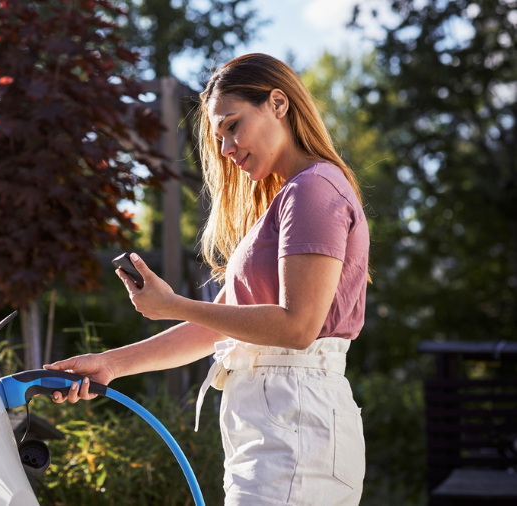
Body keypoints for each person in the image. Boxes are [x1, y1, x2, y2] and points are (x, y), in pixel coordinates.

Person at [44, 53, 369, 505]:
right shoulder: (289, 197)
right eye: (218, 137)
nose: (225, 148)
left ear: (278, 103)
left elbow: (298, 327)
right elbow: (222, 327)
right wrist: (113, 364)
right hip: (279, 426)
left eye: (232, 125)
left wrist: (174, 304)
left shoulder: (313, 189)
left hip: (297, 428)